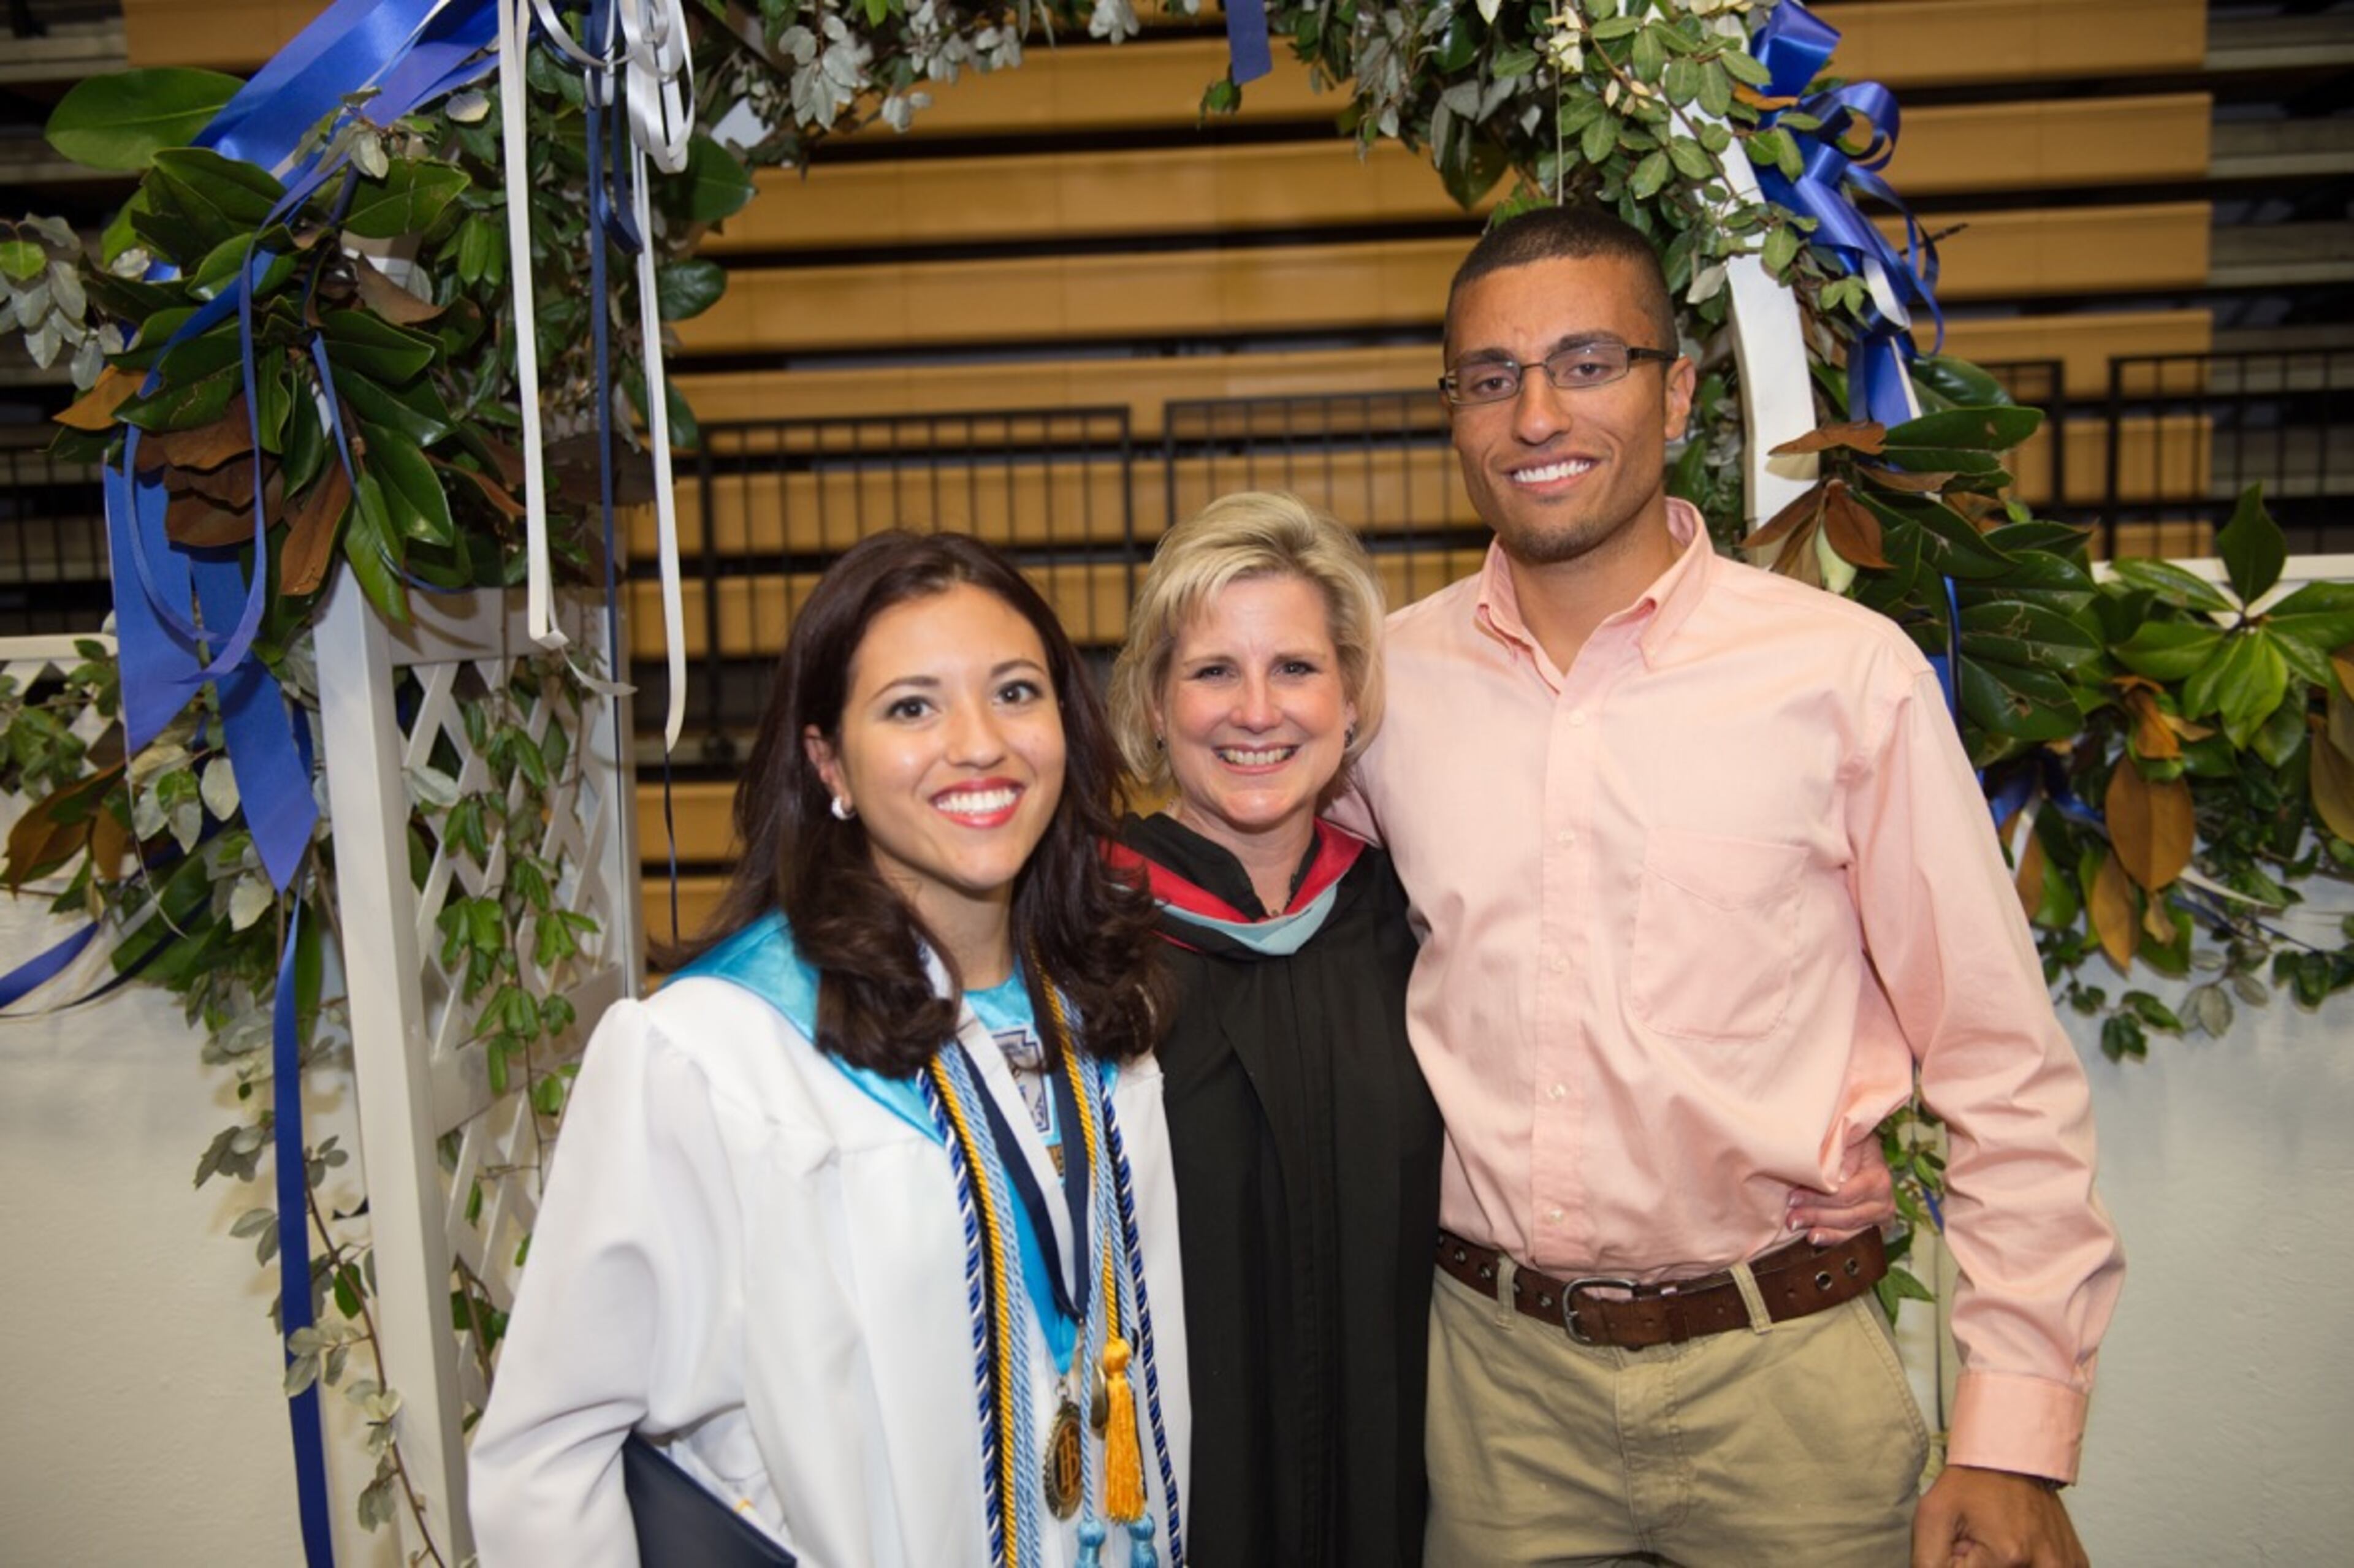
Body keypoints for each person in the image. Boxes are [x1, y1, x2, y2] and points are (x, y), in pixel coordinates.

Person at [1327, 205, 2127, 1568]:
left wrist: (2008, 1435)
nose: (1535, 414)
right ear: (1453, 409)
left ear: (1677, 387)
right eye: (1489, 377)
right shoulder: (1383, 693)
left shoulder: (1842, 676)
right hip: (1494, 1398)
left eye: (1587, 363)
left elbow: (2002, 1066)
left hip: (1788, 1387)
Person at [1105, 493, 1898, 1567]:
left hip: (1410, 1461)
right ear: (1155, 702)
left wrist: (1823, 1129)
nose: (1258, 709)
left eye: (1295, 667)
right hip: (1176, 1470)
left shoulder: (1400, 919)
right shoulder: (1087, 949)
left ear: (1352, 703)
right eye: (1211, 671)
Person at [470, 531, 1190, 1568]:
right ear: (828, 760)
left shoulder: (1099, 1015)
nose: (979, 742)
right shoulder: (716, 1055)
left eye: (1016, 691)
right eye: (912, 706)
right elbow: (549, 1456)